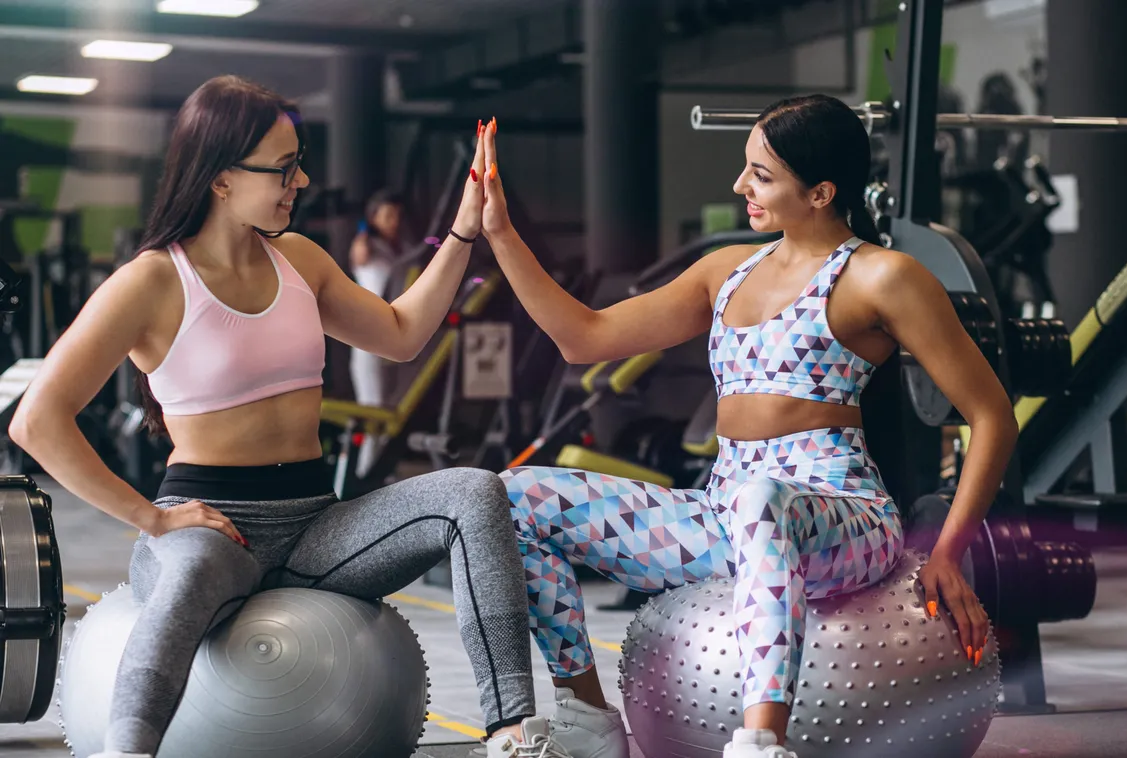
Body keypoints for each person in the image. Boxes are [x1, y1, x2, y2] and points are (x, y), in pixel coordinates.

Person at [9, 77, 568, 758]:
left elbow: (400, 334)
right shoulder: (152, 280)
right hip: (209, 528)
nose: (299, 179)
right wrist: (152, 520)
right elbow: (37, 421)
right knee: (187, 574)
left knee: (475, 493)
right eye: (282, 167)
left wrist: (462, 231)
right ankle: (127, 750)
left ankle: (511, 732)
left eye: (298, 162)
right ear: (219, 179)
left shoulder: (298, 258)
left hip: (313, 525)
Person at [481, 95, 1018, 758]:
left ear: (820, 191)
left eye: (760, 175)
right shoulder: (724, 272)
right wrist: (501, 233)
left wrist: (948, 550)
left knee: (759, 501)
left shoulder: (883, 276)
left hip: (842, 514)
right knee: (512, 497)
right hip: (725, 508)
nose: (740, 186)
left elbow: (991, 414)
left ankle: (761, 743)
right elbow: (582, 338)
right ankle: (585, 715)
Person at [347, 189, 419, 475]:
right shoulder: (366, 245)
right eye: (387, 215)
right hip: (368, 331)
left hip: (394, 329)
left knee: (392, 407)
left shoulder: (401, 247)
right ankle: (363, 473)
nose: (393, 221)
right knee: (372, 408)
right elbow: (360, 256)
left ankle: (380, 470)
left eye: (397, 216)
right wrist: (364, 229)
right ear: (373, 217)